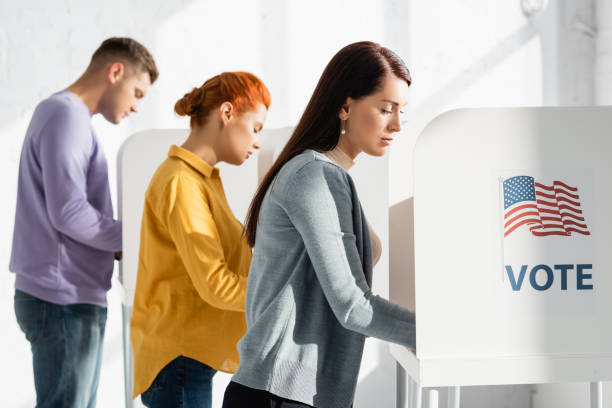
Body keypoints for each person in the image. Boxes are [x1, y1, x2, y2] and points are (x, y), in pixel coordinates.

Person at [222, 41, 416, 408]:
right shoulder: (313, 175)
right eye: (386, 109)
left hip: (294, 392)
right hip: (277, 394)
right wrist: (434, 332)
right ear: (345, 106)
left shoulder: (331, 176)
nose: (397, 125)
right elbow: (352, 305)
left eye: (402, 111)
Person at [10, 37, 158, 408]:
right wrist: (136, 239)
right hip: (62, 297)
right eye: (137, 92)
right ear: (115, 72)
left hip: (66, 294)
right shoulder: (66, 115)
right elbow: (70, 211)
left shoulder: (67, 116)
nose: (136, 106)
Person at [130, 71, 271, 408]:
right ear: (227, 113)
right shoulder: (182, 183)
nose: (258, 142)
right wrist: (276, 292)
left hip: (186, 360)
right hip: (178, 360)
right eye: (256, 128)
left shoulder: (201, 180)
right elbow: (216, 284)